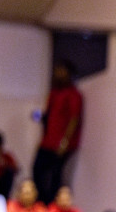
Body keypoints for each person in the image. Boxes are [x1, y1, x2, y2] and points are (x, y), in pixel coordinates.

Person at [33, 62, 83, 204]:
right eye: (57, 71)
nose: (58, 74)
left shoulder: (74, 95)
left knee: (55, 176)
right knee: (37, 170)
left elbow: (74, 118)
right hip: (47, 142)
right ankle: (41, 202)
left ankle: (52, 206)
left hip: (61, 145)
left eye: (62, 71)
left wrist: (65, 142)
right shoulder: (53, 93)